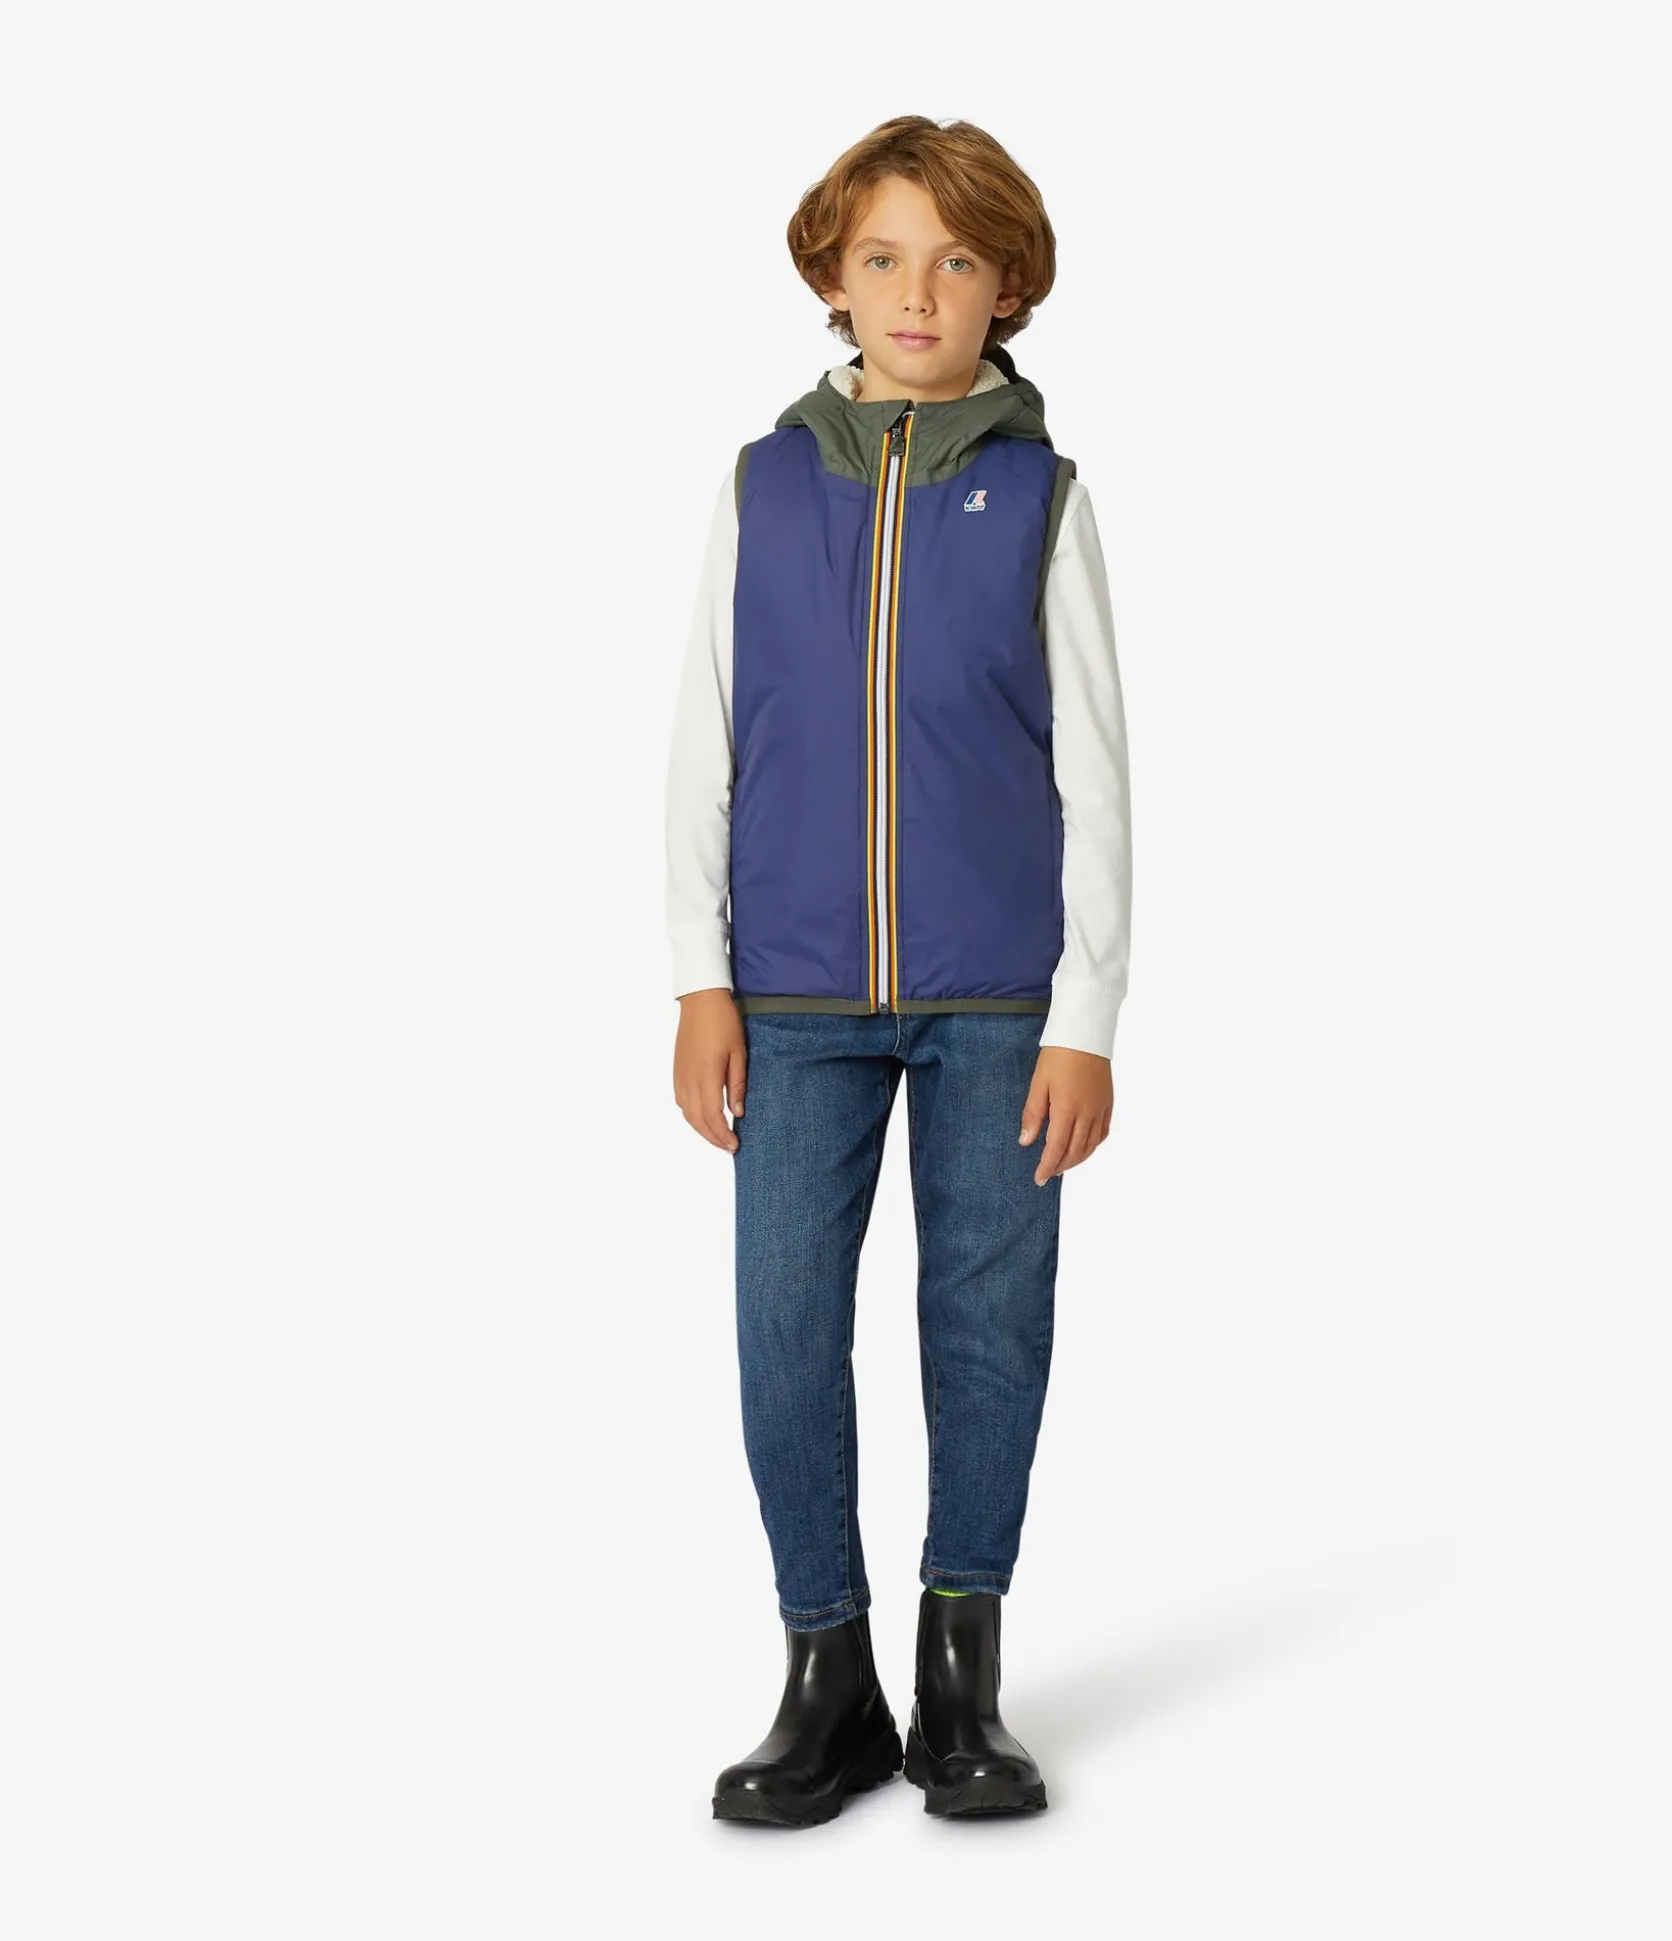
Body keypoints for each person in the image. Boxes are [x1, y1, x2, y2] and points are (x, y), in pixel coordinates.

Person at [665, 115, 1131, 1824]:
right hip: (790, 996)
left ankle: (960, 1676)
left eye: (955, 261)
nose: (916, 291)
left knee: (987, 1328)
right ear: (833, 276)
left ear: (1008, 289)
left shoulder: (1043, 496)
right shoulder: (765, 482)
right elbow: (706, 737)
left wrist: (1086, 1012)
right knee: (786, 1326)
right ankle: (828, 1678)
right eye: (882, 258)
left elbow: (1097, 768)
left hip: (999, 996)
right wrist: (697, 976)